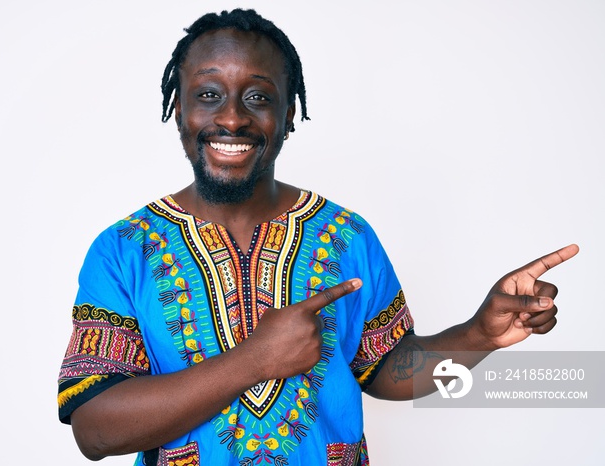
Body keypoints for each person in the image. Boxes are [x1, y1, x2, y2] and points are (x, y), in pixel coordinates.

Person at [57, 9, 578, 466]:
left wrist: (479, 336)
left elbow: (388, 371)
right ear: (180, 111)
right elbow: (95, 430)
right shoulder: (123, 250)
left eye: (257, 97)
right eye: (208, 94)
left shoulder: (348, 236)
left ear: (287, 116)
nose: (233, 117)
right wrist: (255, 360)